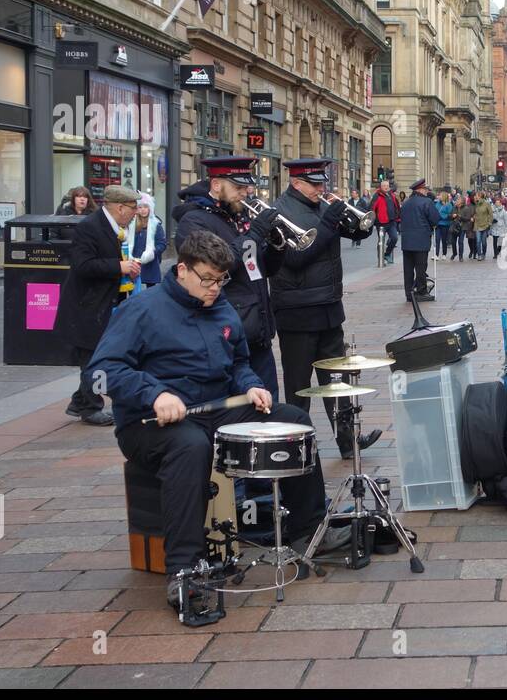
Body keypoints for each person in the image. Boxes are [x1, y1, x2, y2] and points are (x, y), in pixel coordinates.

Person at [91, 229, 344, 610]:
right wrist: (154, 394)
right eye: (206, 279)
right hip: (149, 423)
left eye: (220, 279)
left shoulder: (221, 306)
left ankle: (307, 530)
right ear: (182, 270)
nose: (214, 288)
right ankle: (184, 569)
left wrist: (252, 386)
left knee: (294, 421)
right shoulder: (141, 310)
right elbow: (101, 370)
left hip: (217, 407)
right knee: (190, 447)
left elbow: (238, 362)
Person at [270, 158, 381, 460]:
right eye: (315, 184)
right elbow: (294, 259)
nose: (322, 189)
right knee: (299, 386)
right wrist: (329, 222)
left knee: (337, 382)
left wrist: (360, 227)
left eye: (322, 183)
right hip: (297, 313)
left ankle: (349, 441)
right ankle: (295, 445)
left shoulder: (321, 207)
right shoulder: (279, 212)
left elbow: (348, 233)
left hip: (329, 308)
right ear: (296, 182)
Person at [171, 155, 285, 397]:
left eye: (246, 187)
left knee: (269, 407)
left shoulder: (238, 215)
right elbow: (214, 266)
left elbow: (261, 269)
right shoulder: (194, 220)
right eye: (238, 187)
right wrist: (254, 235)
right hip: (226, 335)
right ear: (216, 185)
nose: (245, 193)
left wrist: (277, 246)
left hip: (258, 331)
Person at [58, 185, 140, 426]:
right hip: (88, 306)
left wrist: (127, 267)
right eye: (133, 208)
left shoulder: (117, 228)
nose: (136, 212)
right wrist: (119, 267)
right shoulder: (89, 227)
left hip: (107, 303)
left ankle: (79, 401)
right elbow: (83, 266)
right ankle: (91, 408)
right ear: (120, 207)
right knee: (93, 357)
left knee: (97, 355)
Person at [399, 178, 440, 301]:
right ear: (420, 190)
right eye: (426, 189)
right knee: (421, 267)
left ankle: (409, 293)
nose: (427, 191)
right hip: (421, 240)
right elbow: (435, 219)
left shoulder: (406, 202)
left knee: (408, 268)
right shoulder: (426, 202)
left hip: (406, 241)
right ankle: (421, 291)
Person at [133, 192, 166, 290]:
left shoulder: (156, 225)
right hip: (135, 263)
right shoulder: (132, 225)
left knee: (149, 291)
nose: (143, 210)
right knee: (135, 292)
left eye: (145, 207)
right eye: (140, 207)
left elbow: (162, 244)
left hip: (150, 264)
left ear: (150, 208)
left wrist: (151, 253)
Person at [369, 180, 400, 264]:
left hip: (391, 222)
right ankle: (381, 259)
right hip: (381, 223)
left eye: (387, 185)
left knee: (394, 238)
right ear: (381, 187)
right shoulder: (377, 196)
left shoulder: (391, 195)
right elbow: (371, 209)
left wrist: (397, 217)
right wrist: (374, 221)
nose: (386, 187)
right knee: (381, 241)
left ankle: (387, 254)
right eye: (384, 186)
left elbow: (396, 206)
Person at [474, 190, 494, 259]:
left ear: (480, 196)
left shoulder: (487, 204)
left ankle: (484, 253)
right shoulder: (476, 204)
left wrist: (489, 223)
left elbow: (491, 214)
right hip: (477, 225)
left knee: (484, 242)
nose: (475, 197)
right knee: (478, 241)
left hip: (485, 225)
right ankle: (479, 255)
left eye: (476, 196)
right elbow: (474, 213)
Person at [490, 196, 507, 261]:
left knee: (500, 241)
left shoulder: (503, 210)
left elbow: (506, 219)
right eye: (496, 202)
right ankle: (495, 254)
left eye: (498, 202)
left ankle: (499, 250)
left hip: (501, 227)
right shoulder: (492, 209)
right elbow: (489, 217)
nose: (497, 204)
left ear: (500, 203)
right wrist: (492, 220)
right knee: (494, 241)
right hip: (494, 227)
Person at [435, 190, 453, 257]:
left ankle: (444, 254)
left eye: (440, 195)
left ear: (444, 196)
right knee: (437, 239)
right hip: (438, 224)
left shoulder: (449, 205)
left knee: (444, 240)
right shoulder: (437, 204)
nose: (439, 196)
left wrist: (442, 216)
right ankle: (436, 254)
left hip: (445, 224)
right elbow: (435, 212)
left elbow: (450, 215)